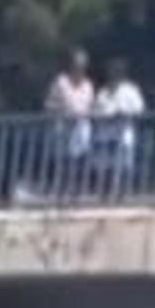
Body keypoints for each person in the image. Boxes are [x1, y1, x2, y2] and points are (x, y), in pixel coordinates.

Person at [44, 49, 96, 197]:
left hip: (81, 128)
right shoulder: (61, 81)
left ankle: (77, 192)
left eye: (83, 66)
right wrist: (62, 112)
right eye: (76, 65)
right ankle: (59, 192)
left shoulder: (88, 85)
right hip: (63, 128)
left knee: (80, 161)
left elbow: (91, 105)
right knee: (62, 162)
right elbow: (49, 104)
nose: (79, 69)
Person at [96, 59, 146, 195]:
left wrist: (124, 113)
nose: (114, 73)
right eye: (112, 71)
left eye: (117, 71)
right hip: (105, 135)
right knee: (105, 166)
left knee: (124, 166)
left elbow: (139, 109)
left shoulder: (131, 90)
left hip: (123, 134)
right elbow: (96, 110)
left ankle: (122, 195)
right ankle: (105, 195)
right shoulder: (103, 92)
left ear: (123, 72)